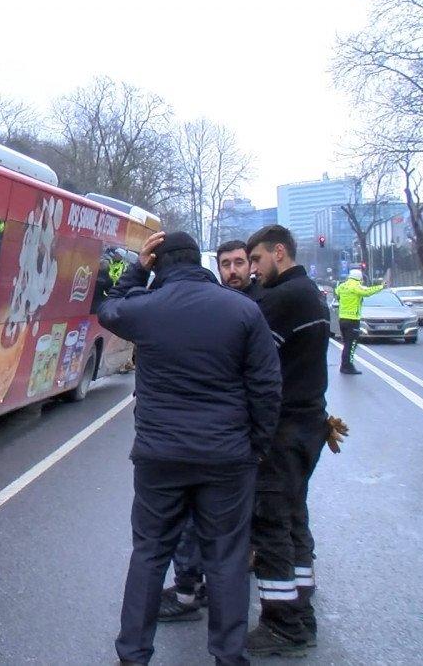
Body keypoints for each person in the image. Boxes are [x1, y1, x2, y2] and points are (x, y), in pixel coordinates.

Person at [99, 231, 282, 665]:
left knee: (149, 554)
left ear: (159, 263)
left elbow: (108, 308)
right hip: (227, 457)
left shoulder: (146, 308)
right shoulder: (243, 310)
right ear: (199, 261)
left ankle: (133, 655)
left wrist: (138, 270)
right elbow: (266, 387)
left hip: (159, 456)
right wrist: (255, 444)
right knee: (226, 560)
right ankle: (228, 656)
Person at [156, 238, 262, 623]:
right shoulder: (222, 304)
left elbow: (269, 382)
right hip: (227, 436)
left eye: (239, 263)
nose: (232, 271)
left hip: (239, 437)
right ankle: (193, 587)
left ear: (251, 265)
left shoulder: (258, 306)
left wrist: (260, 437)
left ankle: (199, 595)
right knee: (198, 519)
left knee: (224, 523)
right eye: (226, 264)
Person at [244, 225, 331, 657]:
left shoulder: (281, 300)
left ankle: (282, 626)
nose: (253, 270)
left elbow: (254, 365)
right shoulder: (310, 292)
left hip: (282, 429)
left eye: (257, 259)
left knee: (271, 524)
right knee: (294, 518)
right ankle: (301, 614)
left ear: (279, 252)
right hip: (309, 423)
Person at [333, 268, 384, 375]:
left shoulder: (342, 286)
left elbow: (336, 293)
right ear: (359, 278)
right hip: (353, 320)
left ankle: (344, 365)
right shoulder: (355, 286)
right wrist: (381, 287)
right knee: (351, 344)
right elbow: (367, 292)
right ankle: (348, 367)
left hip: (342, 319)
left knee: (346, 344)